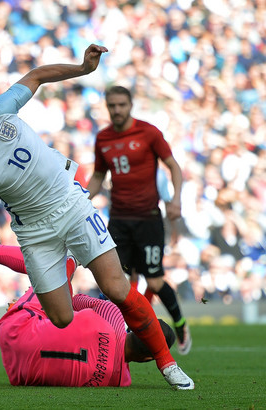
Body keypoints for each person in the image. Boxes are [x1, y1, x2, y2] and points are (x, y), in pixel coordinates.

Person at [0, 44, 193, 389]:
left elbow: (36, 76)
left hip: (70, 204)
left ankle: (168, 364)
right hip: (34, 231)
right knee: (62, 318)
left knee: (117, 288)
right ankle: (57, 264)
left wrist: (84, 69)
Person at [0, 221, 176, 387]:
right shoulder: (120, 381)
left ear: (134, 325)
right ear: (148, 358)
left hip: (16, 328)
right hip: (19, 373)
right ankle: (71, 257)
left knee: (55, 268)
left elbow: (66, 300)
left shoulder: (111, 313)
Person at [86, 86, 192, 355]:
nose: (117, 110)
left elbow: (174, 166)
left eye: (121, 104)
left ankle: (179, 323)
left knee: (154, 281)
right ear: (107, 107)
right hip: (119, 220)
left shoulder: (148, 132)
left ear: (130, 104)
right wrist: (83, 198)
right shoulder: (103, 139)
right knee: (115, 280)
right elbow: (99, 176)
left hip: (148, 220)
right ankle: (119, 333)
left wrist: (176, 198)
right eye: (112, 106)